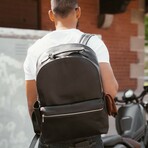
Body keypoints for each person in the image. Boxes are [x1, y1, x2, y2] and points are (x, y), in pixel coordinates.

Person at [24, 0, 118, 147]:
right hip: (88, 138)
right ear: (78, 12)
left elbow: (31, 104)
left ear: (51, 15)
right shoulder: (93, 43)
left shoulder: (35, 49)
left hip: (52, 139)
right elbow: (111, 90)